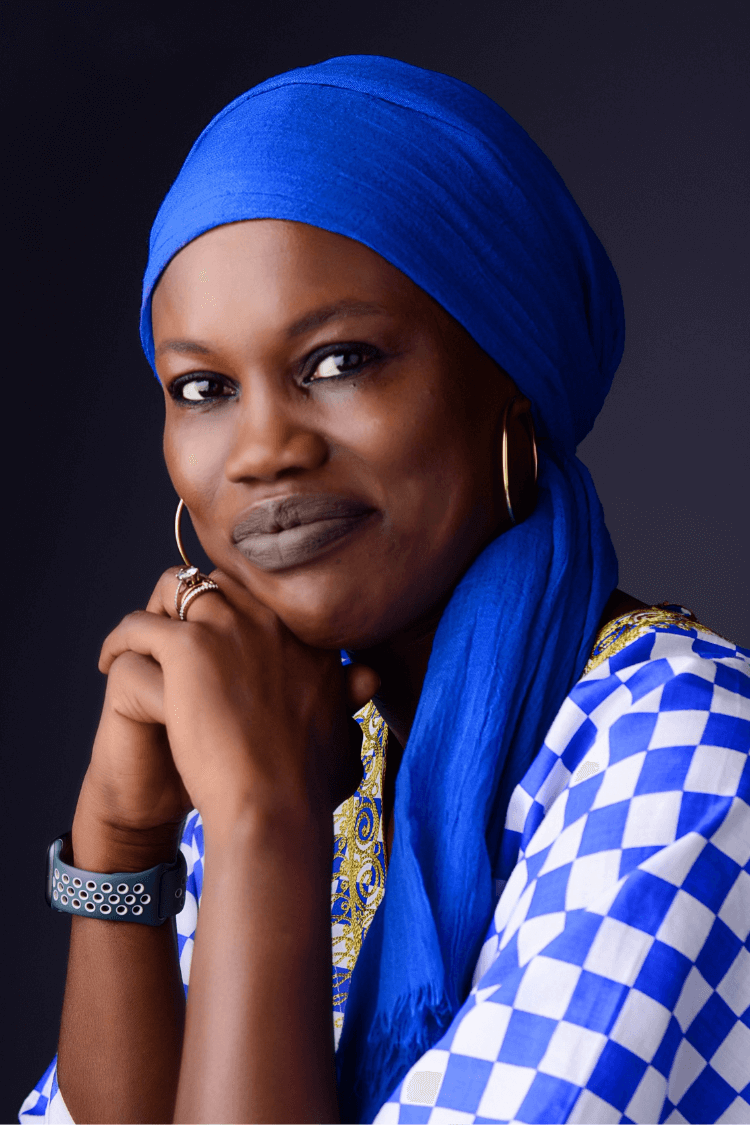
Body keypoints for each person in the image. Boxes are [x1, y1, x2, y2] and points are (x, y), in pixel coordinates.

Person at [20, 55, 750, 1125]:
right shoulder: (287, 728)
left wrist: (267, 826)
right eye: (203, 388)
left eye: (339, 361)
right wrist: (121, 851)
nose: (262, 450)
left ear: (510, 379)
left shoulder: (691, 757)